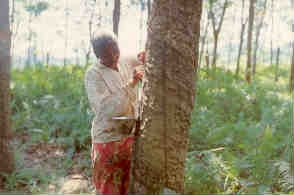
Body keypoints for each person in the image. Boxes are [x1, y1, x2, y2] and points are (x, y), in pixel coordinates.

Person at [84, 30, 144, 195]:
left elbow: (141, 59)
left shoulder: (125, 61)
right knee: (108, 189)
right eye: (107, 54)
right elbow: (104, 109)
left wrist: (144, 56)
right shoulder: (93, 75)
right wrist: (131, 84)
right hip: (108, 142)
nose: (114, 56)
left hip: (130, 139)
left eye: (116, 50)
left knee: (128, 188)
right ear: (98, 56)